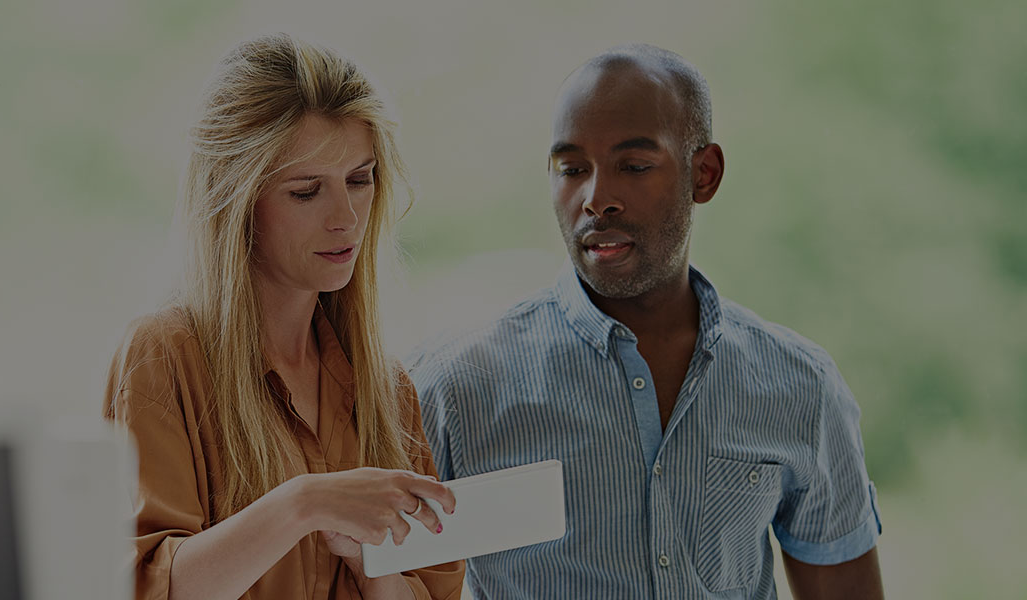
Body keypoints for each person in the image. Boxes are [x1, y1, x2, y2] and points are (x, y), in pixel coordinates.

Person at [407, 44, 884, 599]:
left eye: (633, 166)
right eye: (571, 169)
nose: (596, 198)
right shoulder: (453, 388)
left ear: (704, 174)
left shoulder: (801, 386)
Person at [104, 33, 466, 599]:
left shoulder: (387, 389)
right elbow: (143, 589)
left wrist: (378, 572)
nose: (346, 217)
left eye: (359, 179)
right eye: (306, 191)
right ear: (236, 199)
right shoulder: (163, 358)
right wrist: (306, 502)